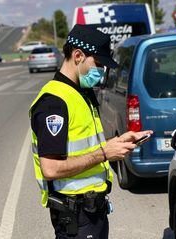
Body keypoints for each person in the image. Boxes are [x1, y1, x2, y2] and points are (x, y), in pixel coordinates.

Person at [29, 24, 153, 239]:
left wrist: (118, 142)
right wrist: (105, 154)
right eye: (98, 63)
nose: (102, 71)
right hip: (75, 217)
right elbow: (50, 168)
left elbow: (85, 143)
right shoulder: (54, 103)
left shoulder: (80, 93)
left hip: (92, 211)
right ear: (78, 55)